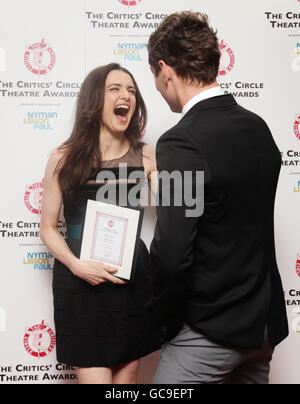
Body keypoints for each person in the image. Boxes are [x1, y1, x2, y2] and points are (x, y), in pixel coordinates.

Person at [147, 11, 289, 384]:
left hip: (212, 331)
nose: (159, 90)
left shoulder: (181, 141)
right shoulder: (257, 128)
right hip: (263, 327)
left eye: (156, 79)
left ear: (165, 70)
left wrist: (164, 323)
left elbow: (173, 251)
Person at [40, 63, 161, 384]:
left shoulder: (146, 155)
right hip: (81, 283)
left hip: (131, 281)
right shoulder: (63, 157)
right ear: (95, 100)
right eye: (115, 89)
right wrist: (76, 265)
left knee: (127, 382)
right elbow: (48, 228)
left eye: (132, 90)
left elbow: (176, 204)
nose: (126, 96)